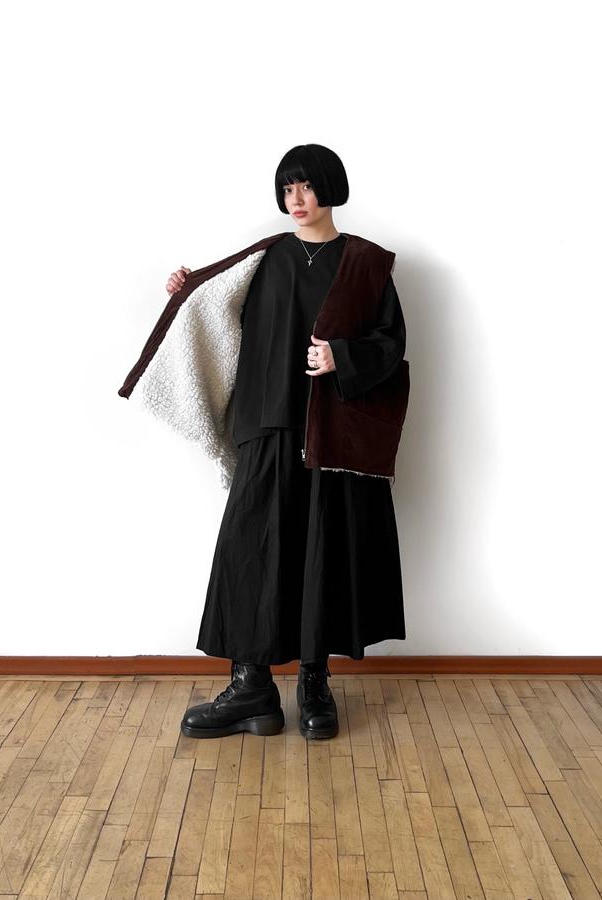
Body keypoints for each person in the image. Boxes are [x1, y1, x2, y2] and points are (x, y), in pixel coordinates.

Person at [168, 145, 407, 740]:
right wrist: (186, 290)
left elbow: (391, 344)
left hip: (333, 432)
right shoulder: (266, 258)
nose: (295, 200)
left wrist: (341, 357)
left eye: (305, 187)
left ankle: (314, 682)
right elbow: (215, 308)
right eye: (286, 189)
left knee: (322, 552)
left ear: (330, 188)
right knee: (250, 547)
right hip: (268, 423)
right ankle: (252, 688)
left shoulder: (366, 264)